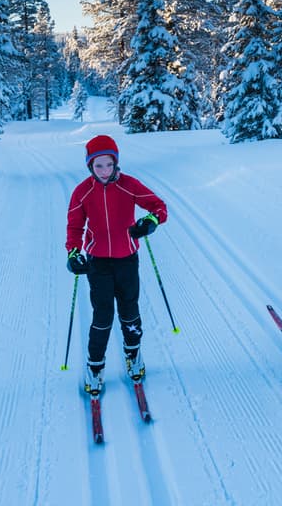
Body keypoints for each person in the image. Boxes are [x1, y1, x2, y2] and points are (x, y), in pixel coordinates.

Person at [65, 135, 168, 395]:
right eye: (98, 166)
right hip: (97, 263)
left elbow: (159, 207)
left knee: (129, 310)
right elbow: (74, 227)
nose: (104, 171)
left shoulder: (129, 185)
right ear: (90, 166)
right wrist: (74, 253)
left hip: (127, 260)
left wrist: (150, 222)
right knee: (102, 315)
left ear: (116, 163)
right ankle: (95, 365)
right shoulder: (82, 191)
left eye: (109, 164)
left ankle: (133, 353)